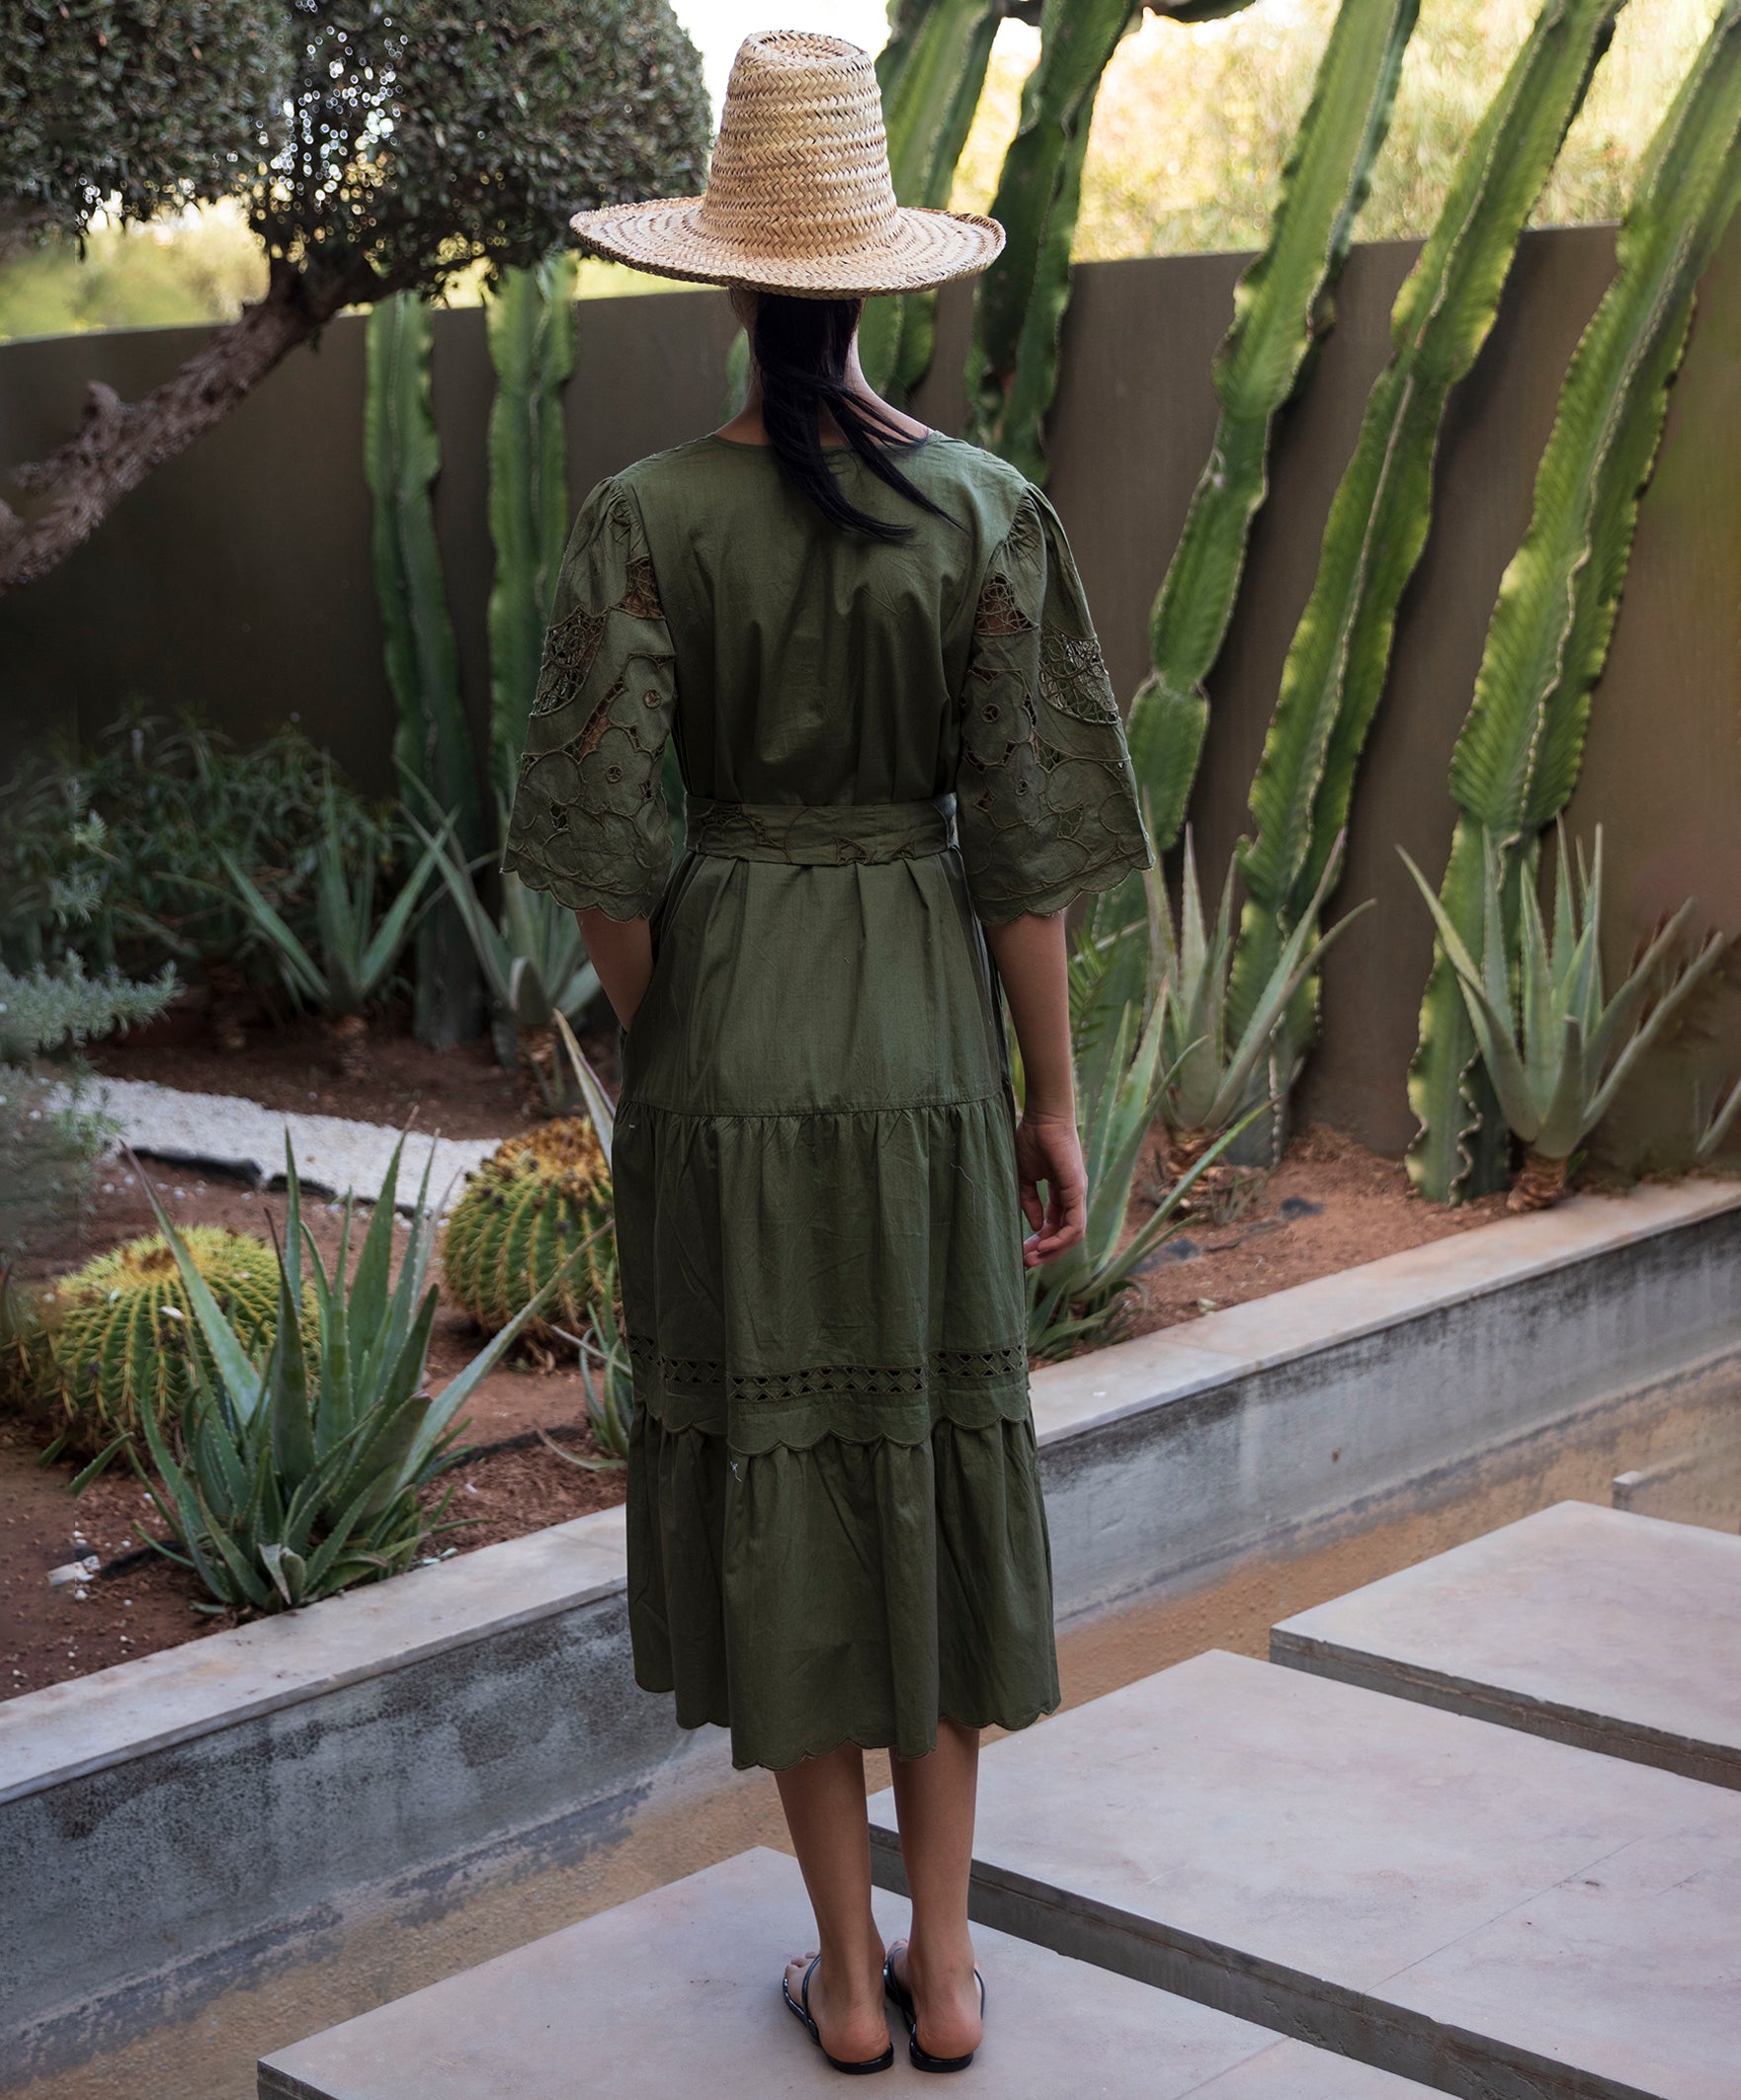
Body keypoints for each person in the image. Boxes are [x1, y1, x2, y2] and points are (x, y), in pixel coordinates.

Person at [502, 29, 1151, 2077]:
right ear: (874, 279)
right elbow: (1028, 858)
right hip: (921, 1029)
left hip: (727, 1036)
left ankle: (843, 1983)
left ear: (722, 279)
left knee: (782, 1492)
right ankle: (951, 1969)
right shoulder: (982, 509)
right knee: (926, 1477)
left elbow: (605, 866)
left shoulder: (638, 517)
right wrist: (1049, 1102)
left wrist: (676, 1024)